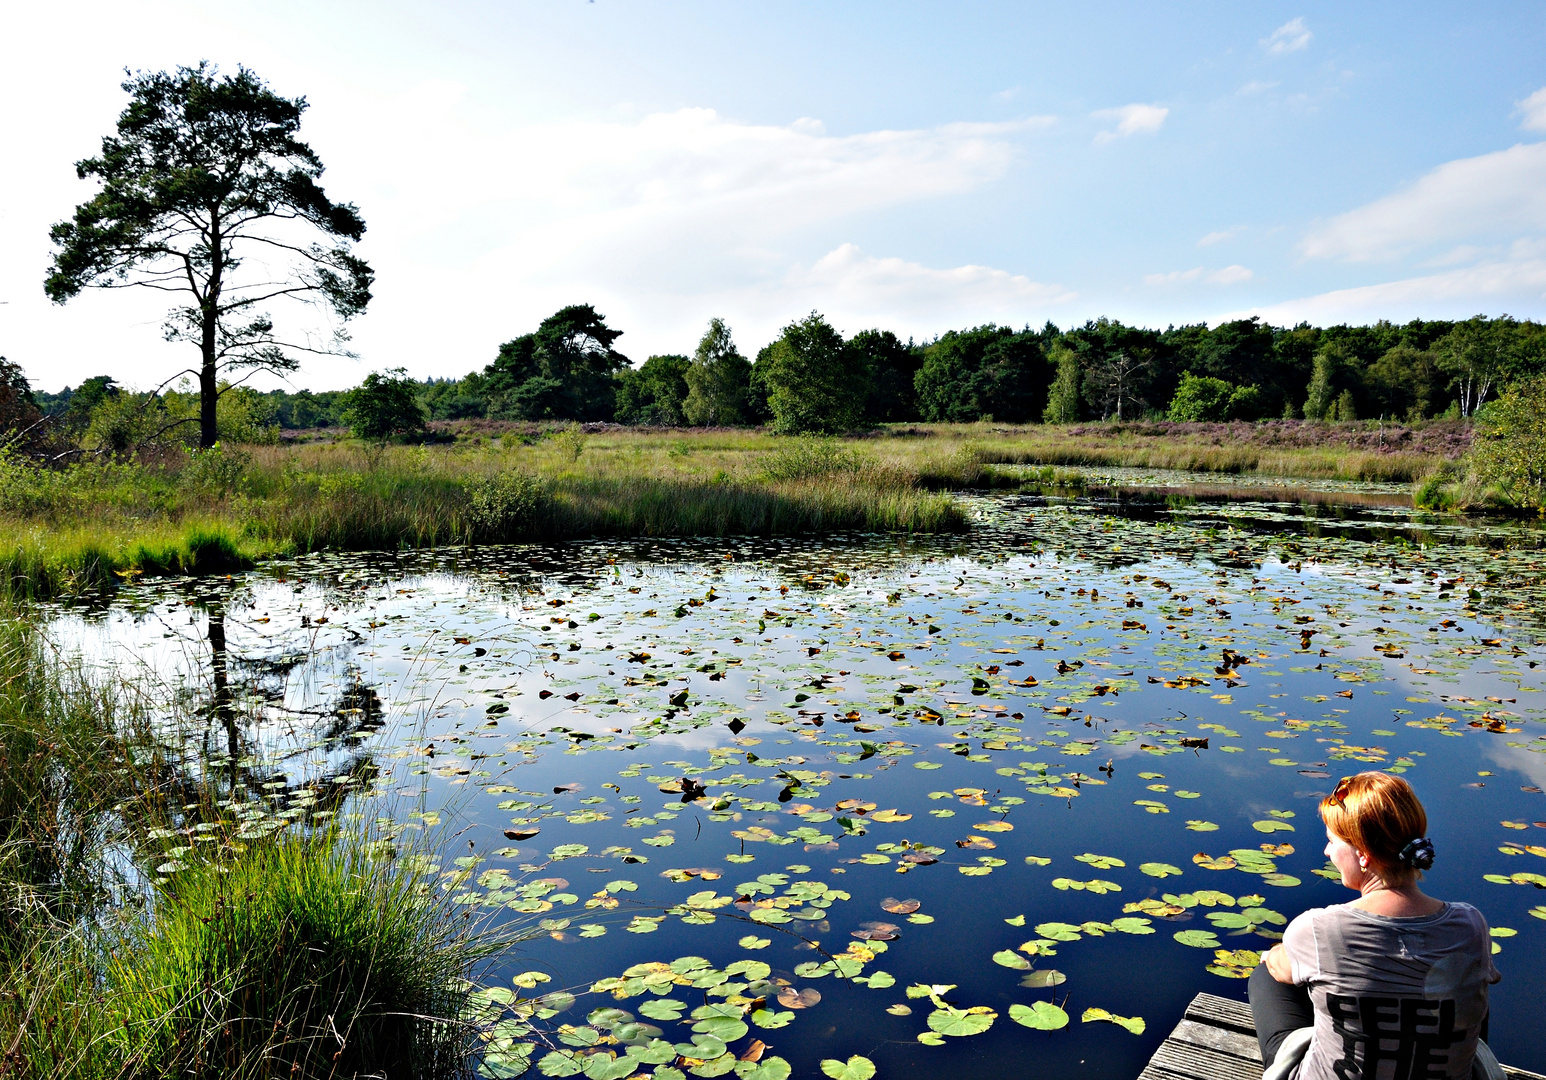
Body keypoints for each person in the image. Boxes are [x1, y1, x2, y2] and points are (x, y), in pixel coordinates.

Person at [1249, 771, 1501, 1080]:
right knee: (1466, 978)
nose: (1327, 852)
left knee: (1266, 975)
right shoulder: (1471, 924)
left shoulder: (1320, 929)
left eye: (1331, 841)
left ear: (1363, 854)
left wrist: (1280, 952)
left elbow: (1278, 968)